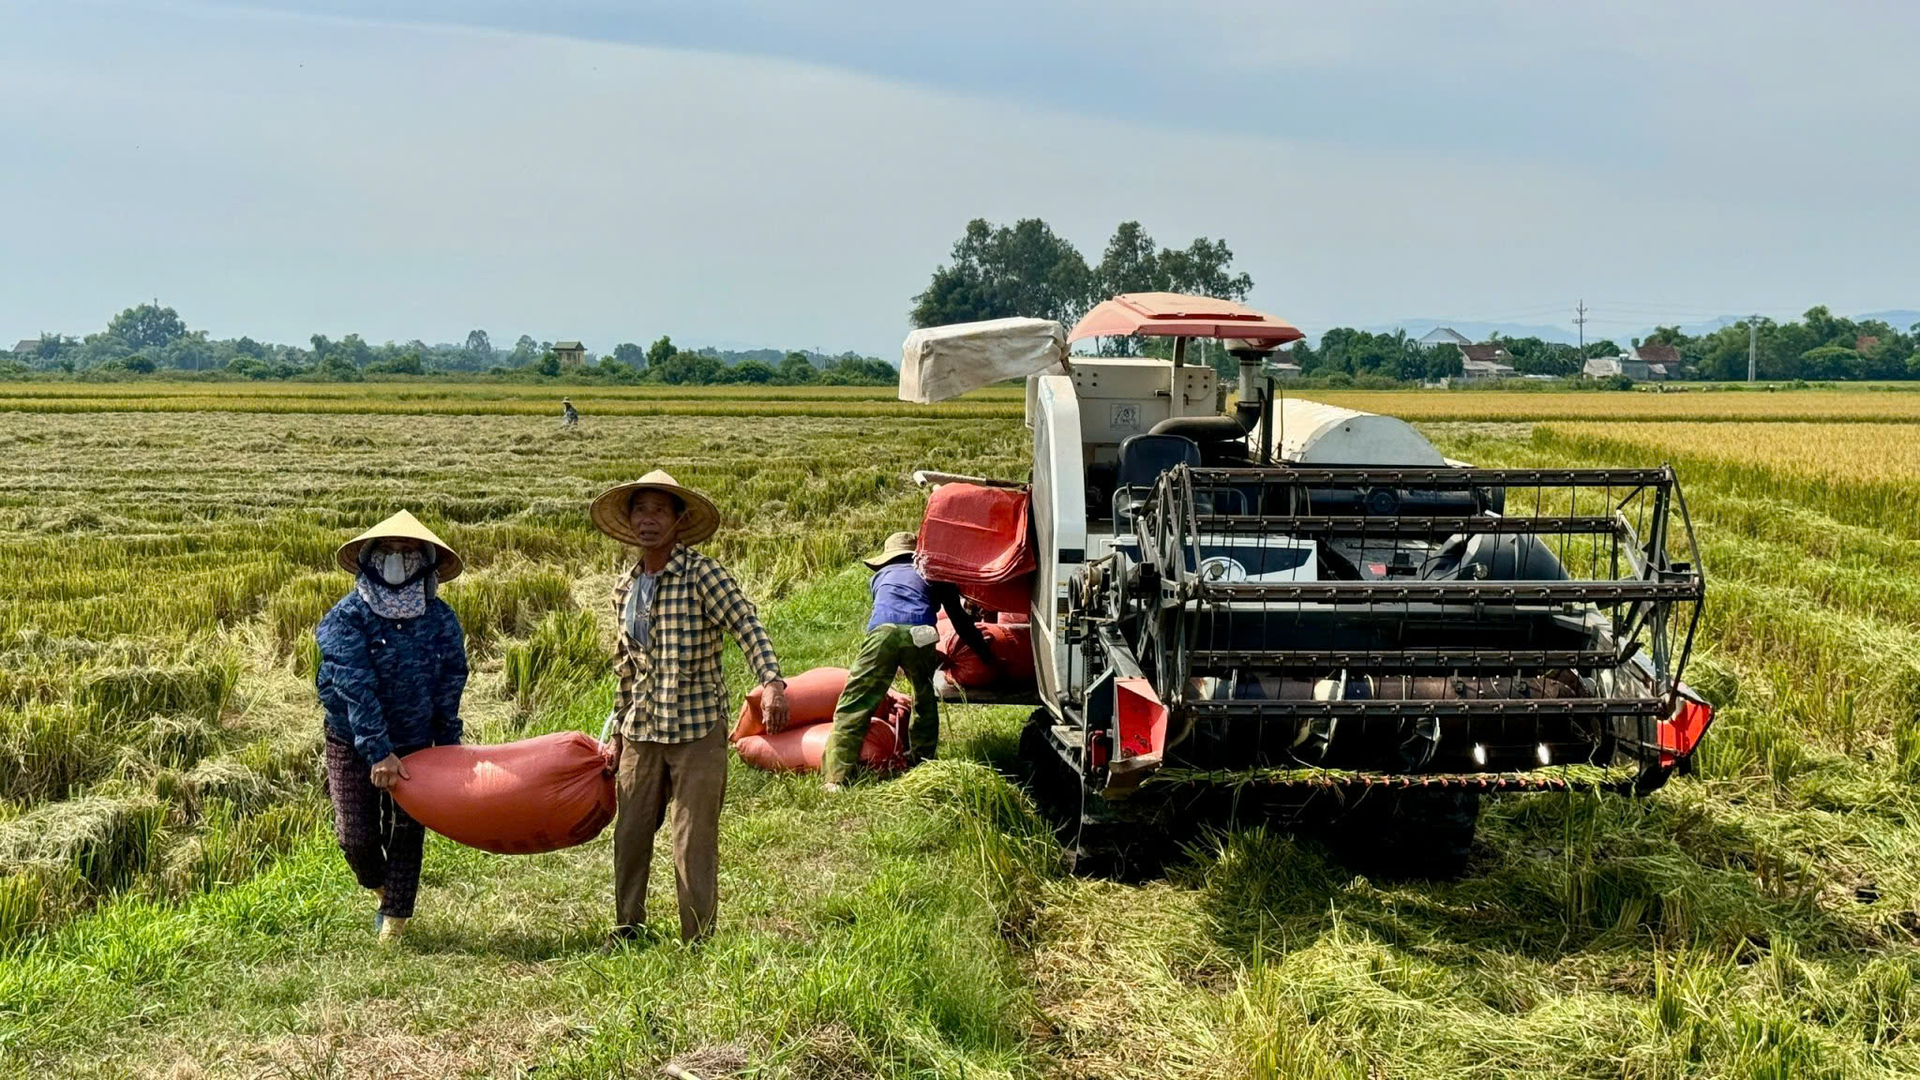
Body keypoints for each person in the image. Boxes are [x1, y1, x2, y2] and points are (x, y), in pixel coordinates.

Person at [590, 470, 787, 945]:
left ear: (678, 520)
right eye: (641, 510)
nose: (649, 520)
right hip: (642, 729)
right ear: (630, 520)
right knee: (630, 835)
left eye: (660, 510)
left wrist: (772, 681)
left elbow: (747, 626)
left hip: (697, 728)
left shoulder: (702, 575)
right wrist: (616, 733)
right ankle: (627, 927)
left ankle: (696, 938)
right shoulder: (626, 587)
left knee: (693, 839)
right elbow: (626, 668)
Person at [315, 510, 468, 946]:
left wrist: (448, 745)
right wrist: (378, 750)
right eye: (388, 550)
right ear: (369, 557)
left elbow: (450, 680)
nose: (398, 559)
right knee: (356, 838)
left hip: (417, 740)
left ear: (425, 560)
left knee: (406, 832)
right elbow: (352, 684)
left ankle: (394, 928)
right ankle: (381, 890)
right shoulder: (346, 618)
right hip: (353, 739)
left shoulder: (440, 619)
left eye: (408, 551)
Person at [820, 531, 998, 792]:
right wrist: (985, 655)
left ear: (888, 558)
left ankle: (835, 779)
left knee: (855, 702)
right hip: (922, 634)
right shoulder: (936, 574)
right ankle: (921, 762)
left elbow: (891, 617)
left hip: (883, 634)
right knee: (923, 696)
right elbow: (959, 620)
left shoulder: (879, 577)